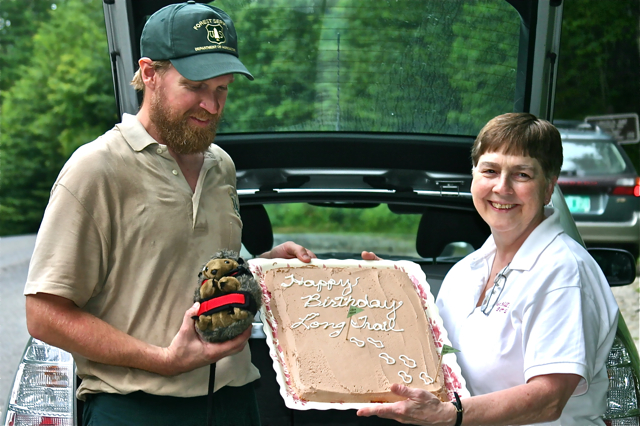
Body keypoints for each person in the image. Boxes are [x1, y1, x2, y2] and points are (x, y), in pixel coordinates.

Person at [23, 3, 315, 425]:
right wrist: (162, 359)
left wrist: (262, 269)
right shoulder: (96, 169)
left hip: (235, 402)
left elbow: (192, 276)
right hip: (136, 408)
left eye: (222, 89)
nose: (212, 106)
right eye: (195, 86)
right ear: (149, 73)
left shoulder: (222, 166)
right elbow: (44, 313)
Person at [357, 113, 619, 425]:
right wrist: (388, 297)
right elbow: (437, 363)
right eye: (490, 170)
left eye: (522, 174)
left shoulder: (563, 272)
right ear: (474, 176)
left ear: (548, 188)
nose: (502, 187)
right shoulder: (465, 272)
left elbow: (550, 398)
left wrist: (450, 415)